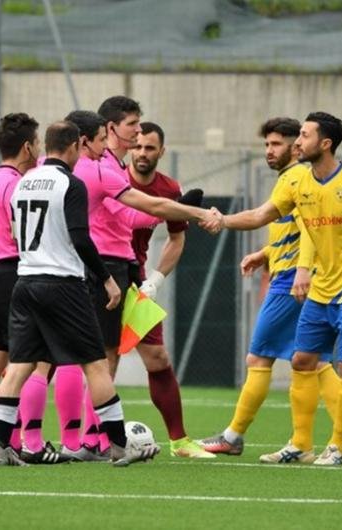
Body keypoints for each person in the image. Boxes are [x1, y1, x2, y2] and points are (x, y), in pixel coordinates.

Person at [210, 112, 342, 466]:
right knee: (303, 361)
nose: (297, 142)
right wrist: (221, 220)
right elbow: (260, 216)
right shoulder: (297, 182)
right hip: (320, 289)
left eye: (303, 136)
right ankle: (301, 445)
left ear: (325, 143)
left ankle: (338, 444)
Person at [0, 120, 159, 467]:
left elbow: (17, 233)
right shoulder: (71, 183)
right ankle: (120, 446)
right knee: (96, 364)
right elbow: (80, 237)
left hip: (26, 282)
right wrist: (106, 279)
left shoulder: (23, 182)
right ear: (75, 146)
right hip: (62, 284)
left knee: (19, 367)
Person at [52, 103, 215, 461]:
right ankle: (87, 441)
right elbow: (133, 216)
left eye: (147, 141)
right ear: (106, 131)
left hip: (120, 274)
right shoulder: (102, 169)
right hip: (104, 269)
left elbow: (165, 232)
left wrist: (154, 279)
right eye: (133, 128)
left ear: (161, 151)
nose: (139, 139)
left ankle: (48, 440)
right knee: (94, 359)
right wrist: (191, 211)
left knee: (145, 356)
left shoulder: (56, 171)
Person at [0, 113, 70, 465]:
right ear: (27, 147)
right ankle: (32, 444)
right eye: (37, 143)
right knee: (36, 363)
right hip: (10, 275)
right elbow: (21, 234)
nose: (39, 149)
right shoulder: (17, 186)